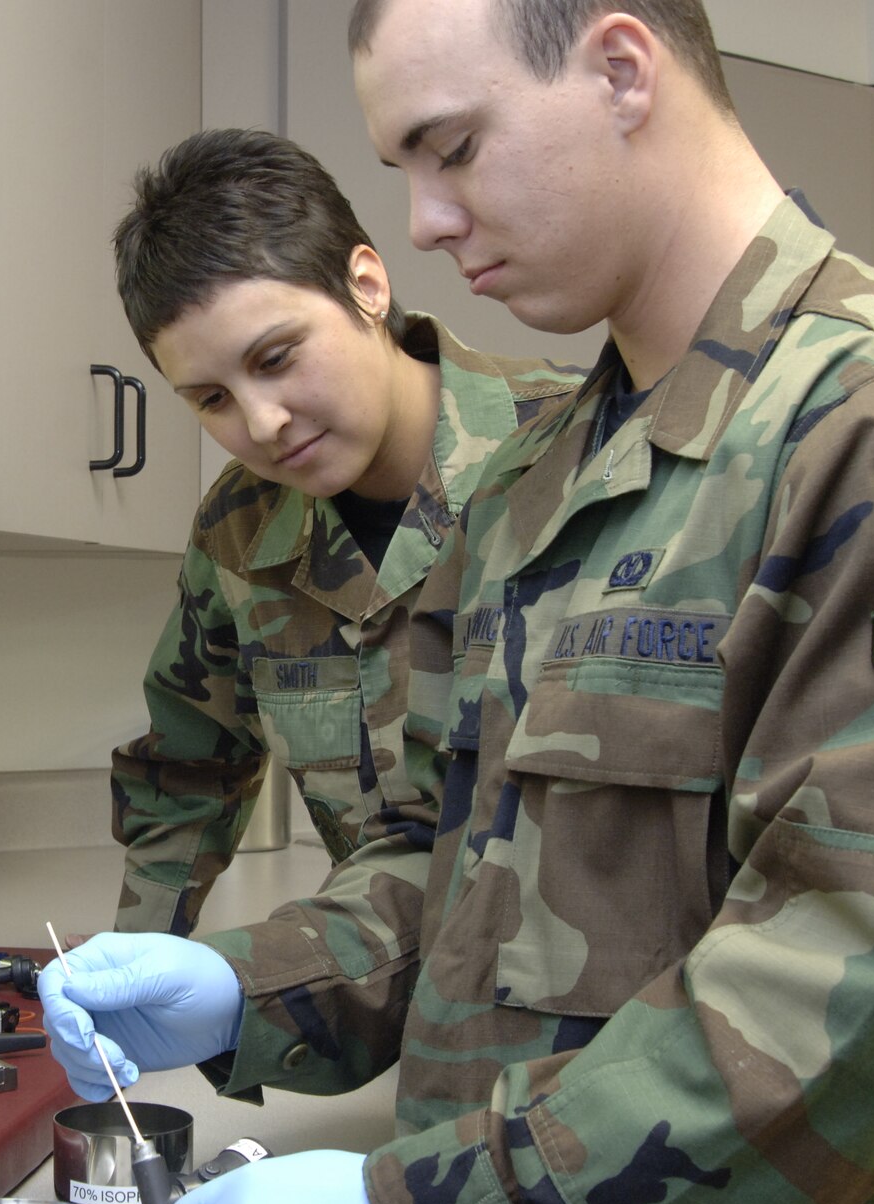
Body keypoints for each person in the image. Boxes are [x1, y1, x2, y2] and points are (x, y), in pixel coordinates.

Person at [39, 2, 874, 1204]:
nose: (419, 224)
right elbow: (455, 867)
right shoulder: (544, 482)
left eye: (452, 148)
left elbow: (866, 993)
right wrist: (247, 988)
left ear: (622, 69)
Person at [107, 127, 579, 936]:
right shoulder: (240, 531)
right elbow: (189, 770)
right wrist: (140, 966)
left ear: (366, 285)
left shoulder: (575, 452)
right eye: (211, 400)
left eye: (277, 357)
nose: (264, 422)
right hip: (380, 1003)